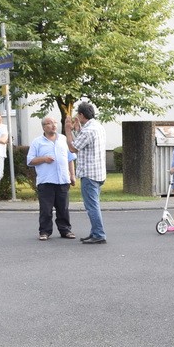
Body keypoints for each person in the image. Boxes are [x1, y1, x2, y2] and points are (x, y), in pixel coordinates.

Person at [64, 101, 108, 244]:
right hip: (98, 173)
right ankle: (95, 232)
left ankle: (99, 234)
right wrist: (77, 129)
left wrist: (68, 131)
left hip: (89, 174)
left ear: (82, 115)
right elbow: (84, 142)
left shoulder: (89, 130)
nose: (77, 116)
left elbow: (73, 148)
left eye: (78, 114)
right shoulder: (97, 127)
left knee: (92, 206)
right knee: (94, 204)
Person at [26, 116, 75, 241]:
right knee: (46, 209)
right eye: (49, 123)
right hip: (46, 181)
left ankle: (65, 230)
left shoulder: (63, 139)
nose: (53, 125)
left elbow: (70, 159)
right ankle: (45, 231)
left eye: (55, 123)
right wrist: (43, 159)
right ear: (43, 127)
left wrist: (72, 175)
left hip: (62, 179)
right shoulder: (37, 142)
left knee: (63, 208)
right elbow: (30, 161)